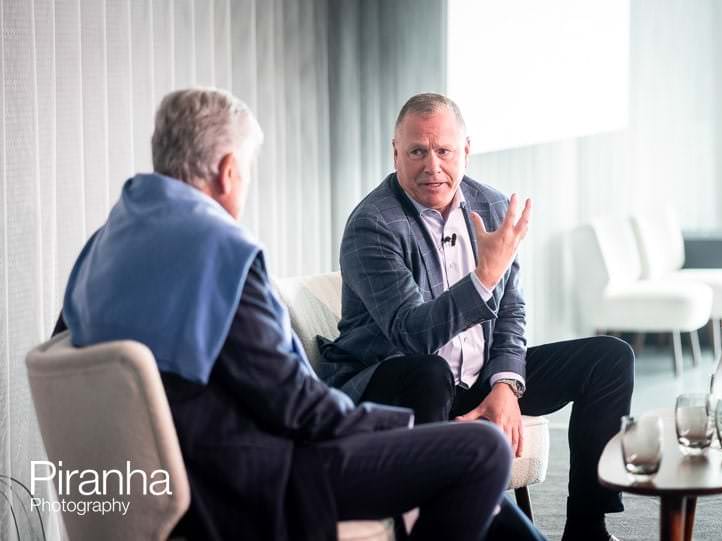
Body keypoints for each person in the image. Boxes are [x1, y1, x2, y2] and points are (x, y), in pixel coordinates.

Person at [54, 88, 517, 541]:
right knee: (484, 451)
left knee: (475, 485)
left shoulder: (105, 244)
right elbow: (295, 405)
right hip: (256, 474)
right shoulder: (221, 253)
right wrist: (398, 426)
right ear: (227, 171)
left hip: (170, 472)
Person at [320, 92, 635, 541]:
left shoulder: (487, 206)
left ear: (466, 150)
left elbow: (511, 310)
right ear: (396, 153)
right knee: (429, 371)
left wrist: (505, 384)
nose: (432, 166)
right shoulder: (373, 224)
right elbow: (413, 334)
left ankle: (587, 526)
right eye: (417, 151)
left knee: (610, 358)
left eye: (444, 150)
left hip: (475, 378)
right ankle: (443, 525)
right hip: (395, 382)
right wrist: (484, 276)